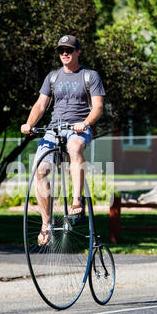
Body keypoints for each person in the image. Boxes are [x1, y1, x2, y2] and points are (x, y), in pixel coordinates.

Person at [21, 34, 105, 245]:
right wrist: (29, 124)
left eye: (69, 50)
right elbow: (41, 105)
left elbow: (98, 107)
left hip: (78, 127)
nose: (64, 54)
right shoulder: (52, 77)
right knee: (40, 169)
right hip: (54, 128)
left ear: (78, 52)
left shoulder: (90, 76)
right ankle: (46, 224)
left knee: (75, 147)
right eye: (61, 50)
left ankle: (77, 201)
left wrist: (85, 122)